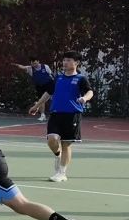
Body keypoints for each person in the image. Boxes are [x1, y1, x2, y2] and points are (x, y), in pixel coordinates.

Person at [30, 51, 93, 182]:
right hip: (56, 113)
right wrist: (36, 106)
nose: (65, 62)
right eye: (64, 60)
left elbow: (90, 91)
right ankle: (57, 155)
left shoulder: (81, 79)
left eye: (69, 60)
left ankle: (62, 173)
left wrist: (85, 98)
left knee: (66, 144)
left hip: (72, 115)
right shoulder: (57, 78)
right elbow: (48, 93)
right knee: (52, 139)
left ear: (76, 63)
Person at [13, 57, 55, 121]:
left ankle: (56, 113)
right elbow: (22, 67)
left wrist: (55, 83)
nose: (34, 65)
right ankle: (42, 115)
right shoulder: (30, 68)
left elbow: (52, 75)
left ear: (38, 61)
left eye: (35, 63)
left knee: (53, 99)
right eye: (32, 63)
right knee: (41, 100)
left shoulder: (45, 67)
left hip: (49, 84)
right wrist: (16, 65)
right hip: (39, 86)